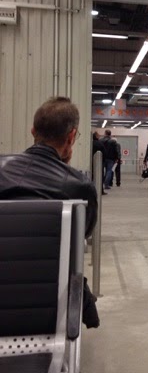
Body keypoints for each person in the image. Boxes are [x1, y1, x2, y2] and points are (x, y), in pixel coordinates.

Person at [0, 96, 99, 328]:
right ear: (71, 137)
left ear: (33, 131)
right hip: (47, 299)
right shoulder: (78, 186)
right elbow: (82, 235)